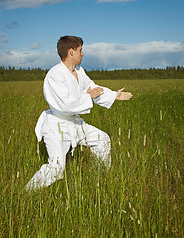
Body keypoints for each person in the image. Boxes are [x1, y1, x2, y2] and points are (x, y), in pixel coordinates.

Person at [25, 35, 133, 191]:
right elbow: (65, 105)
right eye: (80, 50)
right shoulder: (55, 75)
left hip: (75, 123)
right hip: (57, 126)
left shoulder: (80, 71)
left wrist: (113, 95)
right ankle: (26, 192)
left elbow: (93, 88)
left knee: (102, 139)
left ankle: (99, 178)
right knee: (56, 168)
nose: (83, 54)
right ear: (71, 52)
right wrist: (89, 96)